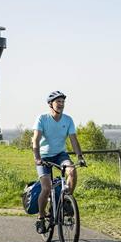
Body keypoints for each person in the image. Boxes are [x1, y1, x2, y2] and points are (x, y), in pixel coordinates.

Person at [31, 91, 85, 233]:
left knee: (72, 171)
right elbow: (35, 140)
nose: (61, 104)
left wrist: (80, 156)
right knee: (47, 188)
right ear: (51, 104)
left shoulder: (68, 120)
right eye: (58, 102)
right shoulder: (42, 119)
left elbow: (73, 140)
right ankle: (41, 217)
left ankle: (66, 201)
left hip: (60, 154)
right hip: (43, 156)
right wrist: (37, 157)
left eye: (62, 102)